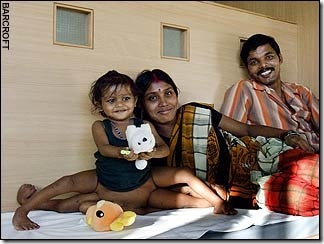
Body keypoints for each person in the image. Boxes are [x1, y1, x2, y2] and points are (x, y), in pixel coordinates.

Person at [12, 70, 237, 231]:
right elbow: (105, 148)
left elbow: (164, 149)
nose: (120, 104)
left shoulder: (144, 124)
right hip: (105, 182)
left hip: (145, 183)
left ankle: (217, 202)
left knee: (185, 177)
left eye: (126, 98)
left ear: (135, 100)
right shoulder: (100, 126)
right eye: (111, 100)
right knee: (67, 189)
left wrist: (150, 153)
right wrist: (124, 153)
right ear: (100, 106)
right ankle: (28, 208)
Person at [134, 68, 318, 215]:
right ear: (141, 104)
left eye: (168, 93)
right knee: (309, 200)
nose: (163, 102)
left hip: (267, 155)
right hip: (248, 192)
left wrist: (286, 135)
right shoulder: (145, 145)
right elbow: (160, 192)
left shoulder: (197, 113)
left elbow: (245, 129)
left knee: (316, 169)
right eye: (152, 98)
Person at [220, 33, 319, 153]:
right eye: (254, 62)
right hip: (284, 161)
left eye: (269, 57)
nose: (263, 65)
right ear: (247, 69)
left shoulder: (302, 92)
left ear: (280, 58)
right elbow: (228, 138)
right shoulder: (244, 89)